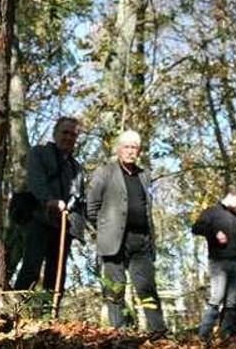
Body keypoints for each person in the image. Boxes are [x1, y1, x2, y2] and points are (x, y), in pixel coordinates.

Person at [86, 130, 166, 333]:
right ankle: (119, 333)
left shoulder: (144, 175)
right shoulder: (104, 172)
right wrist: (104, 229)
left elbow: (147, 207)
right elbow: (92, 207)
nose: (131, 151)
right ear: (119, 149)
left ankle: (158, 331)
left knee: (147, 288)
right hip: (113, 241)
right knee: (115, 288)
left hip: (141, 241)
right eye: (127, 147)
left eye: (135, 148)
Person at [14, 117, 85, 292]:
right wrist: (48, 200)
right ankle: (17, 310)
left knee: (57, 273)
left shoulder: (76, 167)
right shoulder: (39, 153)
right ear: (55, 134)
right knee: (31, 266)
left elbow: (79, 196)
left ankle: (50, 313)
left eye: (73, 135)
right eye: (65, 133)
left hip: (63, 226)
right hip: (39, 218)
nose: (68, 137)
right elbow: (36, 180)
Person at [191, 187, 236, 340]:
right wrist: (214, 233)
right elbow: (196, 228)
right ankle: (204, 335)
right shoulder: (212, 212)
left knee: (232, 301)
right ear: (230, 197)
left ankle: (225, 335)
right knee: (217, 298)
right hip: (218, 262)